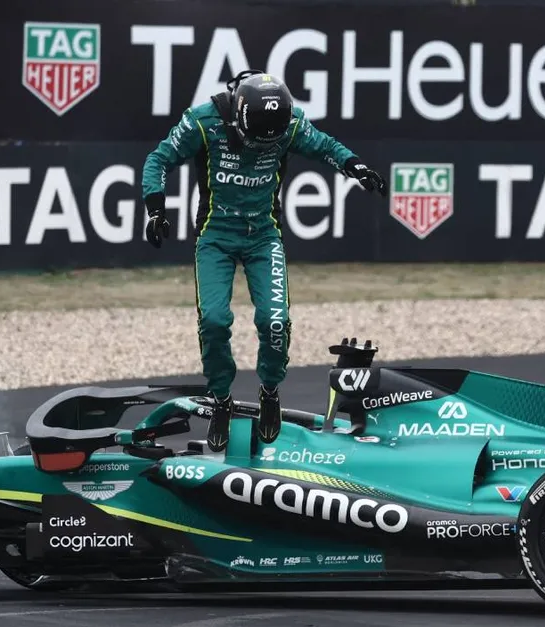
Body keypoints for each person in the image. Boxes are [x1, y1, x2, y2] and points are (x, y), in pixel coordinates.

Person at [140, 69, 386, 452]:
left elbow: (324, 145)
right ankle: (221, 400)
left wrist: (354, 166)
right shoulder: (202, 121)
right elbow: (158, 159)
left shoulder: (291, 124)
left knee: (275, 322)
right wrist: (155, 207)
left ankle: (270, 391)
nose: (259, 147)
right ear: (237, 117)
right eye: (253, 139)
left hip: (264, 237)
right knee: (214, 320)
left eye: (269, 142)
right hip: (215, 237)